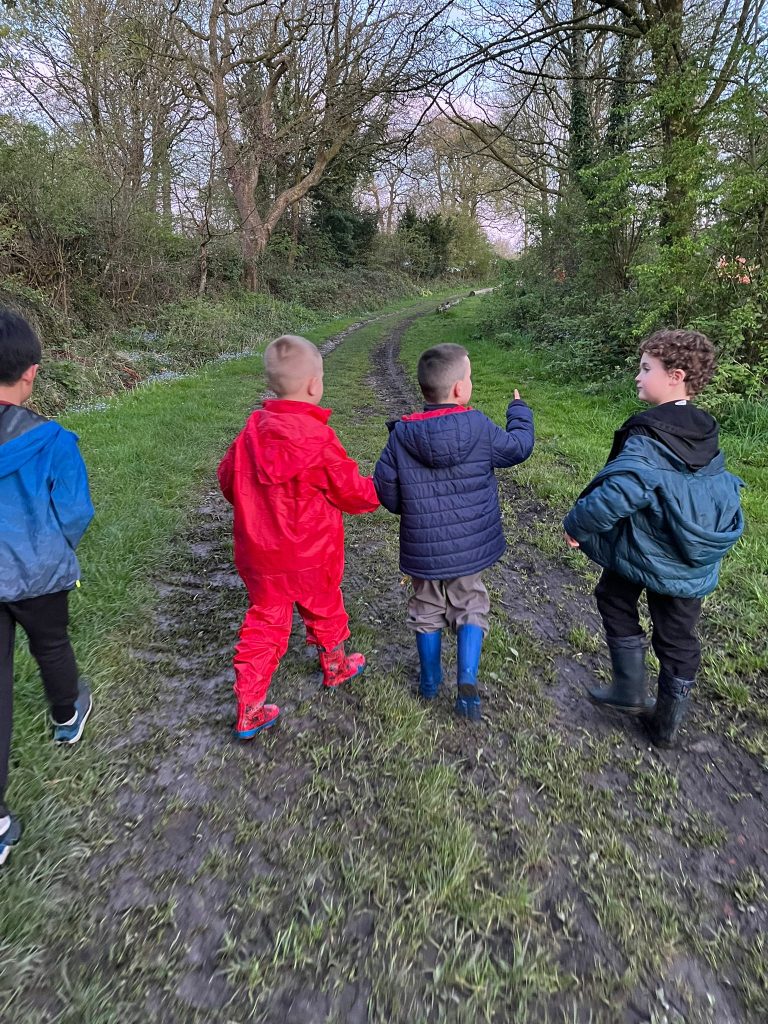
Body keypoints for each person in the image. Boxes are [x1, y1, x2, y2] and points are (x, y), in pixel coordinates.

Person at [563, 329, 744, 748]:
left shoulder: (648, 435)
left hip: (645, 547)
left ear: (676, 377)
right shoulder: (704, 430)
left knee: (613, 597)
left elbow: (620, 492)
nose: (638, 376)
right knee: (677, 636)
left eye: (646, 369)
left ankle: (629, 690)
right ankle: (665, 726)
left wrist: (576, 525)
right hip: (689, 557)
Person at [218, 334, 380, 740]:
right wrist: (379, 491)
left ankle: (249, 706)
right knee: (324, 606)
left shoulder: (251, 434)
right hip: (313, 553)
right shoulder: (319, 440)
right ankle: (335, 665)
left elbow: (227, 480)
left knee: (265, 622)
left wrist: (252, 504)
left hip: (261, 555)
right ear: (313, 385)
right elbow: (350, 491)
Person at [373, 342, 534, 720]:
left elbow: (385, 488)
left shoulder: (401, 435)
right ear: (460, 389)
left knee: (426, 607)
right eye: (470, 377)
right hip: (470, 547)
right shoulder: (477, 426)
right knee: (470, 603)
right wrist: (519, 412)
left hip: (423, 546)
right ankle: (467, 684)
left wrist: (410, 507)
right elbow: (518, 447)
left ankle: (430, 681)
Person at [0, 309, 94, 868]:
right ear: (31, 371)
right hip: (37, 574)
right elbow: (76, 511)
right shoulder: (53, 440)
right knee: (52, 644)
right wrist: (58, 546)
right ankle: (65, 716)